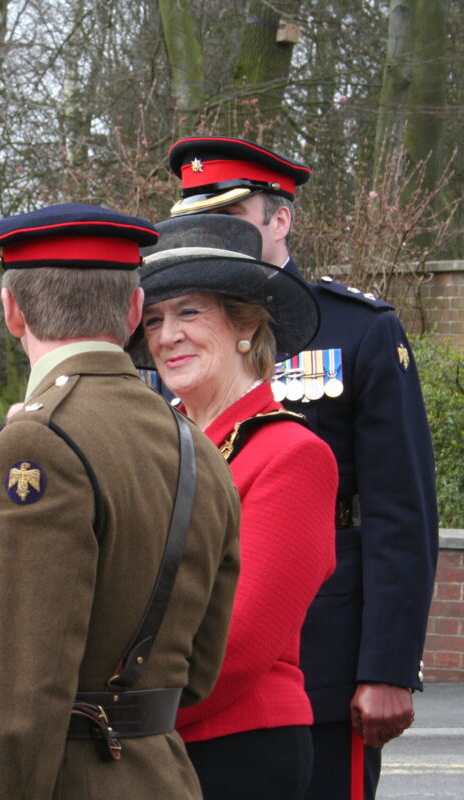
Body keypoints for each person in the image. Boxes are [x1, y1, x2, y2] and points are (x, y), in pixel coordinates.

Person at [167, 135, 439, 799]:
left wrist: (388, 666)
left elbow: (400, 509)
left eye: (228, 220)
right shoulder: (175, 332)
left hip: (323, 656)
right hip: (193, 655)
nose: (211, 235)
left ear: (279, 219)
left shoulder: (358, 330)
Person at [0, 204, 241, 798]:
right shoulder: (198, 446)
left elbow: (16, 705)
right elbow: (200, 668)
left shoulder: (36, 441)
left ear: (12, 311)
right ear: (135, 312)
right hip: (164, 775)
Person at [135, 214, 337, 799]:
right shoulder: (155, 444)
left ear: (246, 322)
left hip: (236, 751)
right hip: (152, 738)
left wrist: (124, 718)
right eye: (152, 319)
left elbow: (239, 648)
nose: (166, 334)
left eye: (188, 312)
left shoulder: (293, 453)